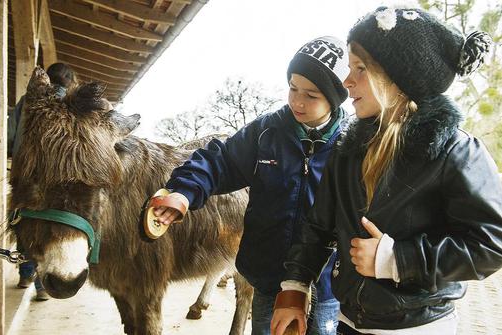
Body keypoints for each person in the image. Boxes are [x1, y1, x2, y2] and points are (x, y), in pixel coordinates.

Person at [270, 6, 502, 335]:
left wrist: (398, 259)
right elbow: (318, 228)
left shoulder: (456, 151)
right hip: (348, 322)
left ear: (401, 75)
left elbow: (491, 245)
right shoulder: (346, 150)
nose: (346, 82)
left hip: (419, 327)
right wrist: (294, 288)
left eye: (360, 68)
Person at [152, 36, 350, 334]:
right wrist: (183, 190)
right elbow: (221, 161)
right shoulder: (267, 131)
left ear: (334, 97)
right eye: (293, 88)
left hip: (326, 286)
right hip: (270, 277)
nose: (297, 101)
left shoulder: (354, 144)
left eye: (311, 95)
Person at [9, 62, 77, 301]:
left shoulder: (24, 103)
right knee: (50, 228)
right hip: (59, 179)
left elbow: (8, 136)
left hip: (24, 175)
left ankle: (25, 274)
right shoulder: (71, 103)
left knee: (24, 223)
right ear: (70, 81)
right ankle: (42, 285)